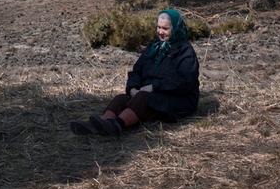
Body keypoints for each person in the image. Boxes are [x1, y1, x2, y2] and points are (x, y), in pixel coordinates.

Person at [70, 9, 200, 136]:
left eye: (165, 29)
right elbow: (137, 71)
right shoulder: (154, 47)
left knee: (143, 98)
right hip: (150, 94)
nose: (160, 32)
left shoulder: (185, 51)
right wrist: (132, 88)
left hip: (178, 100)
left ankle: (117, 125)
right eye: (158, 27)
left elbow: (185, 82)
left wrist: (154, 87)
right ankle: (100, 124)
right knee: (121, 99)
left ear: (175, 28)